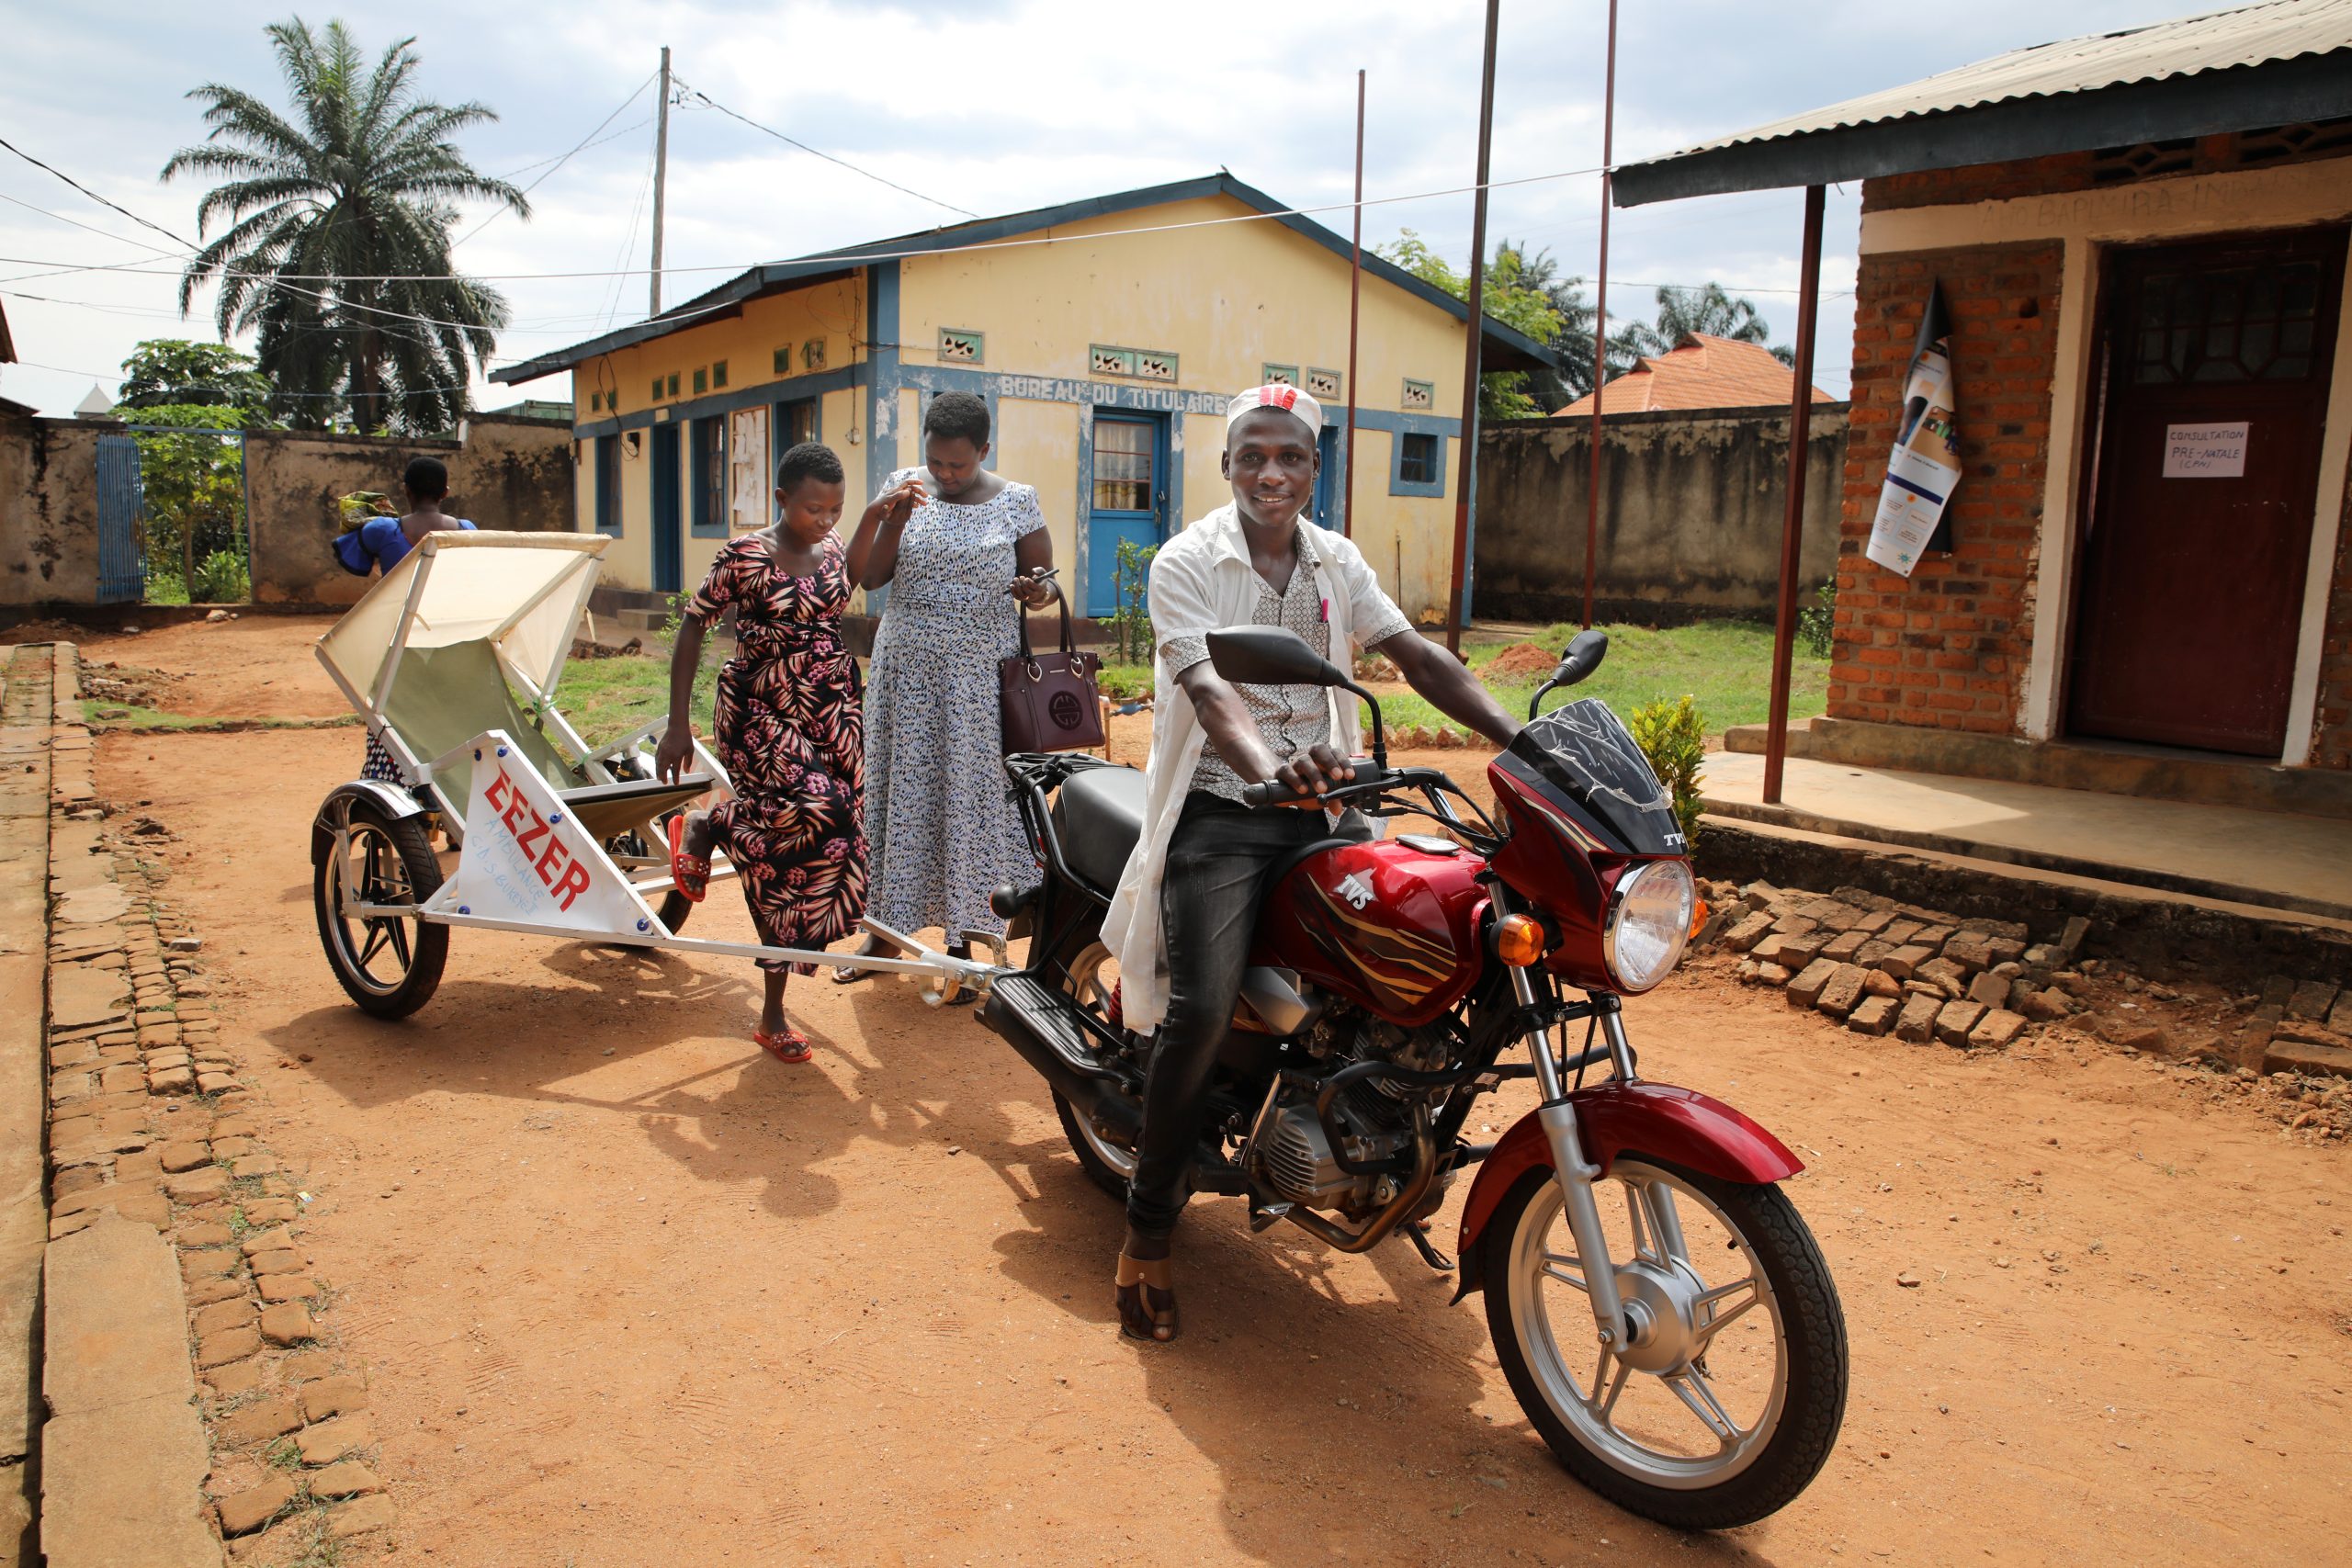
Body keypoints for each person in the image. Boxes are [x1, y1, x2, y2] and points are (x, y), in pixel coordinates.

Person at [1099, 385, 1522, 1342]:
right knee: (1200, 1012)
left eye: (1290, 456)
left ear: (1314, 468)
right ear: (1226, 465)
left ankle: (1376, 1137)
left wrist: (1524, 739)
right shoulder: (1187, 561)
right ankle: (1147, 1236)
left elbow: (1416, 655)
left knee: (1427, 945)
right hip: (1225, 810)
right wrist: (1269, 776)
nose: (1271, 474)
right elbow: (1210, 692)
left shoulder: (1337, 559)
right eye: (1252, 455)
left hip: (1328, 803)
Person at [832, 390, 1056, 986]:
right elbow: (872, 577)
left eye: (958, 463)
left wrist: (1036, 592)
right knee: (898, 799)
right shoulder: (904, 488)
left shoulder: (1017, 502)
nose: (946, 474)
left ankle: (967, 943)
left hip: (979, 683)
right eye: (936, 461)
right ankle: (884, 935)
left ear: (984, 450)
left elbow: (1044, 585)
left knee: (969, 802)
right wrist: (893, 518)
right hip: (907, 676)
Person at [656, 442, 865, 1064]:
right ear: (781, 498)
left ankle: (773, 1009)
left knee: (820, 843)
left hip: (830, 709)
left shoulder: (834, 548)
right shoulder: (744, 555)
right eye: (812, 508)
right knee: (818, 811)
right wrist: (677, 724)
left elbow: (851, 587)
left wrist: (883, 515)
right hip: (760, 708)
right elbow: (693, 625)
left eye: (835, 509)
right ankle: (716, 823)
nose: (825, 520)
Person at [333, 456, 476, 783]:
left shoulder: (382, 530)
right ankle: (451, 783)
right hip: (447, 641)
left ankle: (391, 784)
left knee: (392, 715)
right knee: (446, 715)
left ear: (406, 491)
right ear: (445, 492)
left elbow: (353, 560)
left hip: (397, 641)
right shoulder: (466, 530)